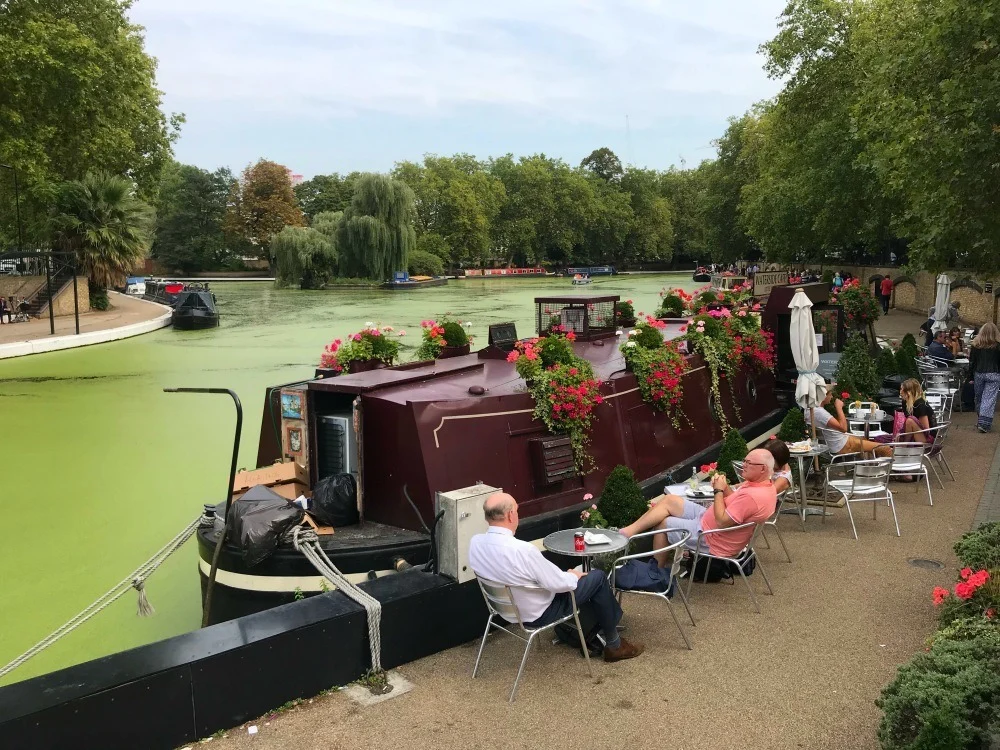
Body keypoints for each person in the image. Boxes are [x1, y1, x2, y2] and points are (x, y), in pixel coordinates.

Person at [467, 492, 644, 662]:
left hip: (504, 610)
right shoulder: (522, 550)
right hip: (539, 613)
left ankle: (596, 629)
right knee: (596, 577)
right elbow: (558, 584)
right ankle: (614, 644)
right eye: (517, 511)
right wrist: (572, 576)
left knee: (579, 577)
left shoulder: (475, 543)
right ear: (511, 515)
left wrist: (567, 576)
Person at [620, 448, 778, 564]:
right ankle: (628, 532)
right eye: (745, 461)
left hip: (712, 538)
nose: (743, 465)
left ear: (762, 468)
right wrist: (723, 487)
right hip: (708, 522)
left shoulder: (752, 497)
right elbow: (733, 502)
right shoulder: (763, 485)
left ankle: (655, 574)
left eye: (748, 463)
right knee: (671, 500)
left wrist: (717, 491)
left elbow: (722, 521)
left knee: (663, 524)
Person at [805, 387, 893, 458]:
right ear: (823, 396)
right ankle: (891, 475)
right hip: (841, 445)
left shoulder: (809, 410)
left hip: (836, 441)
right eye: (830, 394)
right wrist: (839, 408)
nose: (831, 397)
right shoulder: (820, 412)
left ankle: (867, 468)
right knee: (885, 448)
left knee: (864, 439)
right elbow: (843, 428)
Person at [969, 322, 1000, 433]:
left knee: (979, 398)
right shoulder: (997, 346)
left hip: (979, 373)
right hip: (994, 374)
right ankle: (984, 423)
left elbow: (972, 362)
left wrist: (970, 376)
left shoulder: (976, 345)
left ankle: (982, 421)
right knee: (989, 399)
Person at [898, 378, 937, 445]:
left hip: (927, 438)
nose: (900, 392)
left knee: (910, 420)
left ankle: (903, 446)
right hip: (914, 433)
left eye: (902, 389)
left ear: (909, 392)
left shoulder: (920, 405)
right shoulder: (905, 402)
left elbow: (926, 429)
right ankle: (903, 444)